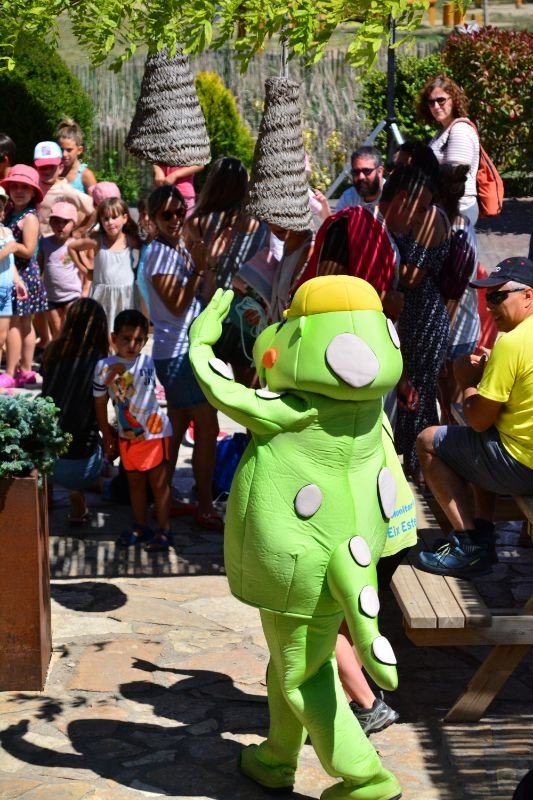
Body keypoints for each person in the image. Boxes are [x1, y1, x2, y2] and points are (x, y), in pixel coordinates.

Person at [416, 257, 533, 578]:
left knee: (428, 441)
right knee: (478, 439)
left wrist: (467, 381)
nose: (490, 305)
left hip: (522, 467)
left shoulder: (512, 342)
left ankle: (469, 546)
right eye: (487, 297)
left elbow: (479, 419)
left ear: (528, 296)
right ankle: (483, 531)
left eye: (498, 296)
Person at [143, 184, 223, 531]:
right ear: (152, 218)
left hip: (181, 349)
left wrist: (204, 266)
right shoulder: (158, 254)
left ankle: (163, 497)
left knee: (176, 428)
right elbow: (176, 306)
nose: (176, 219)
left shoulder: (176, 247)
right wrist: (198, 270)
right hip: (176, 352)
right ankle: (204, 505)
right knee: (207, 426)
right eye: (167, 215)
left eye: (180, 212)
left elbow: (198, 297)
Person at [379, 164, 450, 485]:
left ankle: (425, 471)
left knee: (419, 395)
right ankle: (416, 468)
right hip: (408, 317)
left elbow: (411, 276)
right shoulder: (405, 220)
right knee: (410, 394)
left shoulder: (431, 219)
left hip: (424, 317)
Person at [94, 309, 173, 551]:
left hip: (155, 433)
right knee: (135, 484)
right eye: (126, 338)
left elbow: (136, 394)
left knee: (159, 484)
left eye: (138, 340)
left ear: (145, 341)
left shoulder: (147, 362)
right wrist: (107, 434)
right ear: (113, 338)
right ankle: (140, 526)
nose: (132, 345)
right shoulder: (103, 367)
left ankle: (164, 530)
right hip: (127, 436)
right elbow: (100, 403)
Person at [42, 298, 109, 522]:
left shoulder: (52, 353)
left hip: (49, 459)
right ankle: (77, 492)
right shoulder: (101, 363)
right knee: (96, 434)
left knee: (53, 423)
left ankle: (47, 492)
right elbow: (100, 413)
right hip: (83, 464)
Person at [435, 163, 480, 424]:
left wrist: (440, 341)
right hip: (456, 329)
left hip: (456, 333)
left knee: (455, 409)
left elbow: (453, 294)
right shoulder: (461, 228)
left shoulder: (458, 234)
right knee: (448, 407)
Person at [184, 156, 268, 291]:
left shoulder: (197, 223)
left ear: (212, 184)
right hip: (248, 299)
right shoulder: (261, 224)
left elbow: (187, 265)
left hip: (210, 296)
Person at [0, 164, 46, 389]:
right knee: (23, 323)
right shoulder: (10, 212)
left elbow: (28, 250)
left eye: (24, 187)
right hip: (14, 274)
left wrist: (11, 247)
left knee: (18, 324)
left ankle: (13, 371)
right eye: (15, 186)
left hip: (24, 276)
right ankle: (24, 369)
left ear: (33, 192)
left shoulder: (29, 217)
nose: (19, 191)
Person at [418, 74, 480, 225]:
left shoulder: (459, 130)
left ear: (454, 100)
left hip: (458, 209)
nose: (436, 106)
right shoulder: (442, 132)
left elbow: (455, 178)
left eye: (441, 100)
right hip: (443, 208)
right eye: (431, 102)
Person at [68, 197, 140, 328]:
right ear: (101, 221)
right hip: (102, 295)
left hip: (125, 295)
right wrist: (85, 271)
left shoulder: (130, 240)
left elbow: (145, 250)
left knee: (123, 328)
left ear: (125, 218)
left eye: (114, 217)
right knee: (101, 329)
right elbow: (72, 247)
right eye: (106, 219)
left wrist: (137, 271)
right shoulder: (97, 241)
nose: (110, 222)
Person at [38, 201, 83, 340]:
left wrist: (85, 289)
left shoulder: (75, 244)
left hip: (72, 294)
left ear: (74, 224)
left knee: (70, 327)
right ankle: (59, 351)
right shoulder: (45, 242)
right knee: (57, 329)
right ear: (50, 222)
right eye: (56, 221)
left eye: (65, 222)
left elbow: (83, 268)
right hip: (51, 296)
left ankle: (72, 350)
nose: (60, 226)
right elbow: (39, 266)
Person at [34, 141, 94, 237]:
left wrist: (80, 230)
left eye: (52, 167)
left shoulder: (65, 190)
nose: (47, 170)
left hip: (53, 241)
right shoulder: (32, 186)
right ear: (36, 168)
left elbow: (93, 209)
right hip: (33, 240)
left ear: (60, 168)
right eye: (43, 167)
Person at [0, 187, 28, 376]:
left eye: (0, 207)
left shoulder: (7, 231)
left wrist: (18, 281)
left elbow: (10, 263)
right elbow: (7, 254)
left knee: (1, 338)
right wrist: (8, 250)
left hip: (5, 292)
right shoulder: (9, 242)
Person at [335, 145, 384, 212]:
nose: (361, 177)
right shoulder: (349, 197)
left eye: (366, 171)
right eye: (356, 172)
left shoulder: (392, 197)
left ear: (379, 171)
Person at [57, 117, 97, 194]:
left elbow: (95, 201)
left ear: (79, 150)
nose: (64, 154)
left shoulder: (86, 175)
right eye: (61, 149)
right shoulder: (56, 171)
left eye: (69, 150)